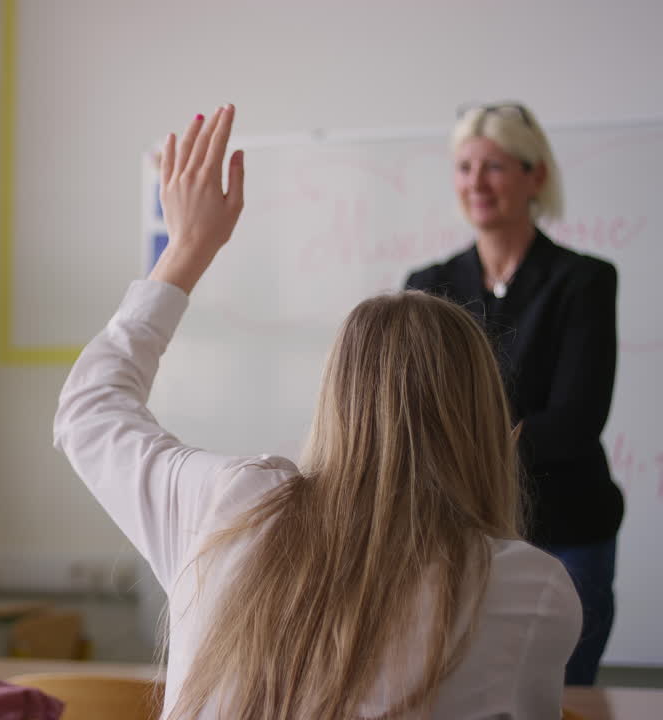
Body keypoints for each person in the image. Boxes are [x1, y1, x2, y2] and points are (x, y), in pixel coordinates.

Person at [54, 106, 580, 719]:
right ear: (484, 419)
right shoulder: (523, 589)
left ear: (334, 396)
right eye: (465, 167)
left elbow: (88, 412)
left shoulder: (229, 509)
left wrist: (186, 250)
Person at [405, 101, 621, 686]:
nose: (476, 183)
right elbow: (415, 414)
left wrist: (460, 448)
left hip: (567, 530)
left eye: (495, 167)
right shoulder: (426, 288)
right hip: (457, 535)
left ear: (536, 176)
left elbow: (575, 419)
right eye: (465, 167)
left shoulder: (584, 281)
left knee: (564, 695)